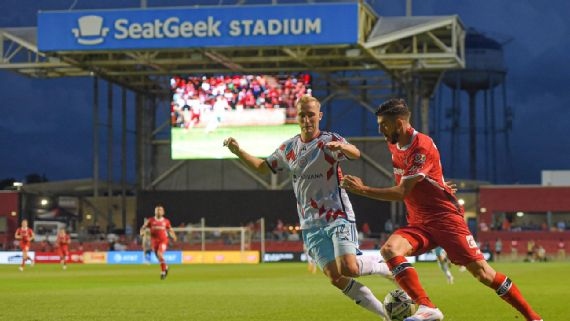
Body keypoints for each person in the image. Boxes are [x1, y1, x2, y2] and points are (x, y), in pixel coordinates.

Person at [340, 98, 542, 321]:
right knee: (390, 250)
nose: (380, 130)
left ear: (399, 123)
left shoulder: (421, 147)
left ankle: (534, 318)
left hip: (445, 220)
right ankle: (427, 308)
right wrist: (438, 183)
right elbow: (428, 175)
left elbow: (401, 192)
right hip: (419, 222)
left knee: (483, 273)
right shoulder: (394, 143)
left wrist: (362, 189)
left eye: (383, 125)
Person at [224, 95, 392, 319]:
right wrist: (239, 152)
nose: (306, 119)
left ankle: (383, 266)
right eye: (302, 115)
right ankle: (386, 315)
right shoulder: (288, 148)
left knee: (349, 268)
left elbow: (355, 153)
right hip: (310, 224)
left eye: (311, 114)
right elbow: (263, 167)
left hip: (336, 216)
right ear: (297, 117)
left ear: (319, 116)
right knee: (336, 277)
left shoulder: (328, 140)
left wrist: (342, 146)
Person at [140, 205, 177, 280]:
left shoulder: (166, 221)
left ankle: (163, 272)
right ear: (155, 211)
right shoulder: (150, 220)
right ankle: (165, 267)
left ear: (163, 212)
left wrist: (173, 235)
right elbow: (143, 228)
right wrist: (142, 232)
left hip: (163, 240)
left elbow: (170, 230)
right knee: (158, 257)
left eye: (160, 210)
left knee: (160, 254)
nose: (158, 211)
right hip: (154, 241)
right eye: (157, 210)